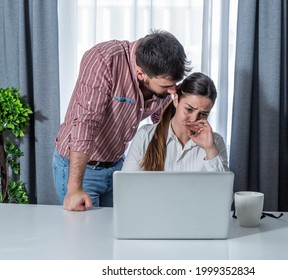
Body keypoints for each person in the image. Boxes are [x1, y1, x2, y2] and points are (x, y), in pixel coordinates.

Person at [53, 30, 191, 211]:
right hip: (81, 169)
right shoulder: (103, 60)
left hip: (118, 166)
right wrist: (74, 189)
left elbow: (160, 122)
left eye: (175, 84)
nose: (173, 90)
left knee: (119, 233)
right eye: (166, 86)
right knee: (83, 236)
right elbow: (85, 124)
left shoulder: (160, 74)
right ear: (141, 73)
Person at [122, 72, 229, 172]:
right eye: (189, 109)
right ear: (176, 100)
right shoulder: (145, 136)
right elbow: (126, 185)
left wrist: (209, 149)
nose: (193, 119)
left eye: (204, 114)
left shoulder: (215, 142)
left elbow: (222, 188)